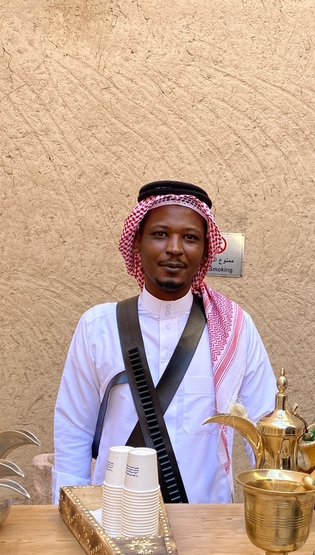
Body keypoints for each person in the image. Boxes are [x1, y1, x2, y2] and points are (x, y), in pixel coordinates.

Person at [53, 180, 288, 505]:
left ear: (205, 248)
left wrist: (291, 479)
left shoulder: (233, 327)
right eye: (160, 234)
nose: (175, 248)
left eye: (190, 237)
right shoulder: (98, 326)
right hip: (114, 521)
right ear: (137, 241)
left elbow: (263, 426)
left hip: (208, 522)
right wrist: (66, 511)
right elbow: (73, 430)